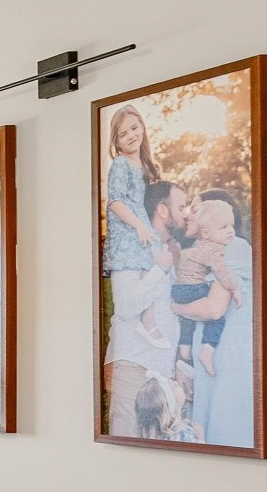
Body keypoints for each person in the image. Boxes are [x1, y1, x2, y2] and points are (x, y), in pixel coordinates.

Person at [103, 179, 184, 437]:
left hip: (158, 372)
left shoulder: (162, 248)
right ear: (162, 210)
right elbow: (127, 306)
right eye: (181, 207)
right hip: (133, 369)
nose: (186, 213)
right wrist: (160, 269)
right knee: (128, 453)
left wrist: (176, 368)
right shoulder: (131, 246)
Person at [102, 105, 167, 347]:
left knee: (149, 271)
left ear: (142, 127)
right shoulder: (121, 164)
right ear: (117, 142)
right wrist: (139, 225)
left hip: (141, 224)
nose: (131, 136)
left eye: (134, 128)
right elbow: (116, 201)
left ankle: (148, 321)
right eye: (123, 134)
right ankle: (144, 324)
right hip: (128, 226)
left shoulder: (146, 163)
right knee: (137, 276)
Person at [171, 197, 244, 379]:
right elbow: (213, 311)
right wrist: (235, 289)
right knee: (214, 317)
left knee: (191, 316)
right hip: (190, 291)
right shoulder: (215, 248)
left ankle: (185, 349)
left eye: (195, 211)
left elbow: (212, 308)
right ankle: (206, 351)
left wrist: (178, 308)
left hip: (180, 290)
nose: (188, 216)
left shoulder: (228, 248)